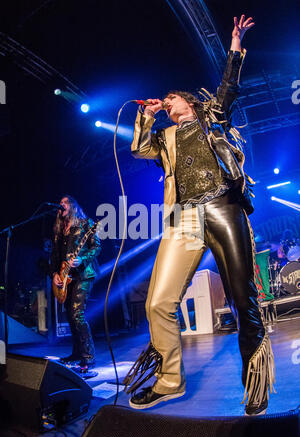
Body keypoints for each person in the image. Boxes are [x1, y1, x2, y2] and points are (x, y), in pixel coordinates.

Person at [123, 15, 275, 416]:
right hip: (183, 218)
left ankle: (255, 378)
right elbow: (139, 149)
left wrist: (235, 46)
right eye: (164, 103)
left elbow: (229, 86)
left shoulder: (211, 116)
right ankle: (170, 380)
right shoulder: (164, 136)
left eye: (171, 100)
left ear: (188, 101)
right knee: (158, 301)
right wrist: (148, 115)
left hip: (222, 205)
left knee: (244, 299)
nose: (167, 103)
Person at [49, 195, 101, 371]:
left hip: (84, 273)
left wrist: (82, 259)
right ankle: (77, 353)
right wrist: (55, 273)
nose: (61, 205)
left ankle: (89, 355)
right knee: (71, 317)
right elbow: (55, 255)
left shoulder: (85, 223)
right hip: (66, 277)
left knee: (77, 314)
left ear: (72, 206)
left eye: (65, 202)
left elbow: (96, 247)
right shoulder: (59, 229)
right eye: (60, 203)